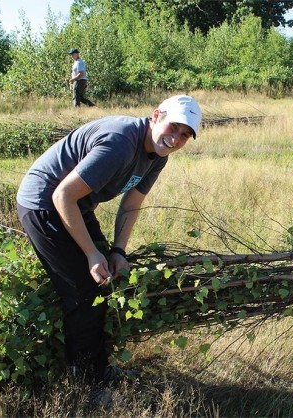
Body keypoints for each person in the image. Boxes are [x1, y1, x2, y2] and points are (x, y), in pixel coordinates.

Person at [16, 95, 202, 395]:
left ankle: (98, 367)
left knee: (106, 281)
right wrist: (91, 254)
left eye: (185, 135)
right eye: (174, 127)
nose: (176, 138)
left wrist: (117, 251)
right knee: (85, 292)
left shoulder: (158, 154)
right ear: (156, 116)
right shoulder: (120, 143)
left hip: (77, 205)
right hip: (43, 204)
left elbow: (132, 203)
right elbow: (61, 196)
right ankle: (85, 381)